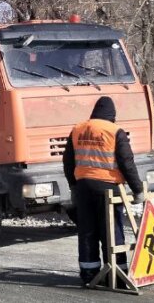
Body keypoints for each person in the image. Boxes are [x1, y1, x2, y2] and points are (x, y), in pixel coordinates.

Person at [63, 96, 145, 287]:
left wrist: (74, 185)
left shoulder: (78, 129)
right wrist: (137, 189)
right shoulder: (115, 131)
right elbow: (126, 163)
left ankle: (89, 273)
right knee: (112, 230)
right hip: (108, 188)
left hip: (83, 187)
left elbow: (68, 161)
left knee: (87, 230)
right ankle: (116, 275)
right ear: (112, 115)